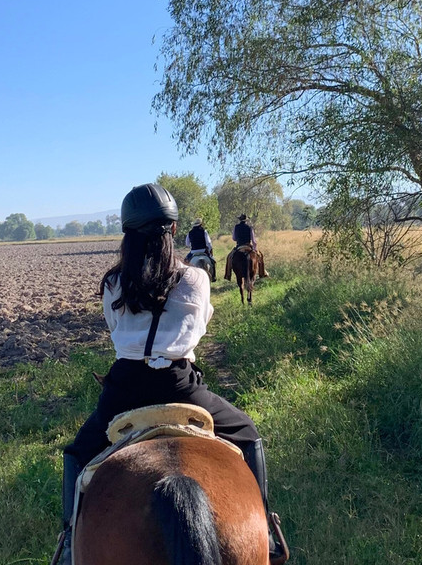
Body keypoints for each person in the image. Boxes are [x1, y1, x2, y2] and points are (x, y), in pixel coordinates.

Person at [58, 183, 287, 564]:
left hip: (124, 389)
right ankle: (266, 533)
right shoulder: (196, 278)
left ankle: (68, 543)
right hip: (181, 385)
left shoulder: (113, 283)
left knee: (78, 452)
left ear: (127, 234)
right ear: (175, 230)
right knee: (247, 434)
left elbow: (117, 331)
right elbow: (196, 330)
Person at [226, 213, 268, 279]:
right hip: (248, 245)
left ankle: (228, 274)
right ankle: (262, 273)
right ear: (246, 220)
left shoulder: (236, 227)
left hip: (239, 246)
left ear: (240, 220)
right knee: (260, 256)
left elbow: (234, 238)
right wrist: (254, 248)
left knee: (229, 257)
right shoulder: (250, 228)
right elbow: (254, 241)